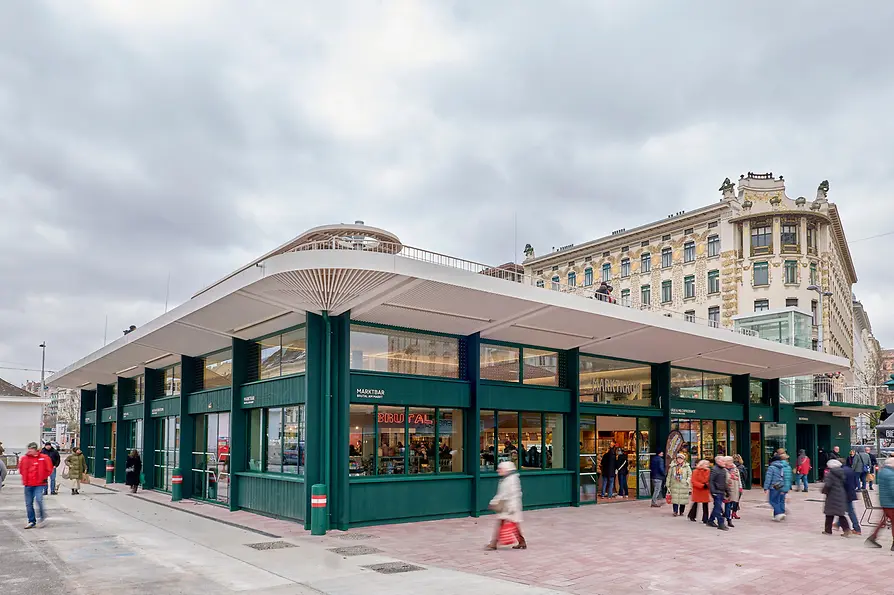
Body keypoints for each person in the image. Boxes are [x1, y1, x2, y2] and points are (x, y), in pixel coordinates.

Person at [486, 461, 526, 550]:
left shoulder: (510, 480)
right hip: (507, 506)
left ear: (506, 469)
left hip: (510, 506)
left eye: (500, 469)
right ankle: (521, 541)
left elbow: (510, 494)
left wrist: (494, 502)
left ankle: (494, 543)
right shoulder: (507, 479)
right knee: (513, 524)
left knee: (502, 523)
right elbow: (502, 494)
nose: (498, 470)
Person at [20, 442, 53, 529]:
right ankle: (31, 521)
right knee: (28, 503)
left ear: (36, 449)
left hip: (39, 483)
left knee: (39, 500)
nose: (30, 451)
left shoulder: (44, 458)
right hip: (28, 484)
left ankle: (42, 518)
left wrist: (44, 477)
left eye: (32, 449)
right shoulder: (24, 459)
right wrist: (25, 478)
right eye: (29, 449)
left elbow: (49, 469)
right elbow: (21, 469)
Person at [865, 456, 894, 550]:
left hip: (885, 501)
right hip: (890, 502)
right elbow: (892, 489)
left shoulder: (883, 472)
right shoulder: (890, 474)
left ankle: (873, 537)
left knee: (884, 521)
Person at [821, 459, 851, 536]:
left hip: (832, 496)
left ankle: (828, 530)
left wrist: (824, 491)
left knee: (829, 514)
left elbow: (827, 485)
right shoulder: (841, 473)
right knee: (840, 514)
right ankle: (847, 530)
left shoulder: (830, 474)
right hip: (841, 494)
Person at [764, 453, 792, 521]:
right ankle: (778, 514)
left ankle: (779, 513)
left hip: (773, 486)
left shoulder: (771, 467)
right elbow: (788, 477)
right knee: (780, 501)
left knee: (772, 501)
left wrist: (766, 487)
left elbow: (768, 478)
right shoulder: (784, 466)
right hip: (781, 485)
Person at [839, 459, 862, 536]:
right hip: (851, 492)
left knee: (849, 511)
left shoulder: (842, 471)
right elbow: (856, 482)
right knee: (845, 509)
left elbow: (842, 483)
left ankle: (856, 528)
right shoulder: (850, 470)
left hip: (845, 493)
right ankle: (837, 524)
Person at [707, 456, 729, 530]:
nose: (724, 462)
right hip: (716, 491)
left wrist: (727, 491)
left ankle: (710, 520)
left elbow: (724, 482)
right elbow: (711, 481)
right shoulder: (714, 469)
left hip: (721, 491)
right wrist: (713, 492)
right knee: (718, 508)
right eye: (723, 461)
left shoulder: (723, 470)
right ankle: (721, 523)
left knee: (717, 507)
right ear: (718, 461)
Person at [667, 453, 692, 517]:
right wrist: (668, 484)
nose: (680, 460)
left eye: (681, 459)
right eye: (678, 458)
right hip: (674, 484)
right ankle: (675, 511)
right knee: (675, 499)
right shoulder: (673, 466)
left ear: (683, 459)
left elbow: (690, 475)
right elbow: (669, 476)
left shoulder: (687, 467)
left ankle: (681, 511)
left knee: (682, 499)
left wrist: (687, 481)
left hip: (683, 485)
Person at [723, 456, 743, 527]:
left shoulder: (735, 469)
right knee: (727, 505)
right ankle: (728, 519)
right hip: (727, 490)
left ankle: (729, 516)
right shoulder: (723, 469)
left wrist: (740, 487)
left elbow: (739, 478)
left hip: (735, 488)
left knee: (733, 503)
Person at [732, 454, 747, 519]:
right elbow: (745, 476)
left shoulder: (731, 466)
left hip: (732, 484)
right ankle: (734, 512)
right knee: (736, 499)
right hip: (739, 484)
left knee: (730, 499)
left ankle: (727, 512)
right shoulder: (742, 467)